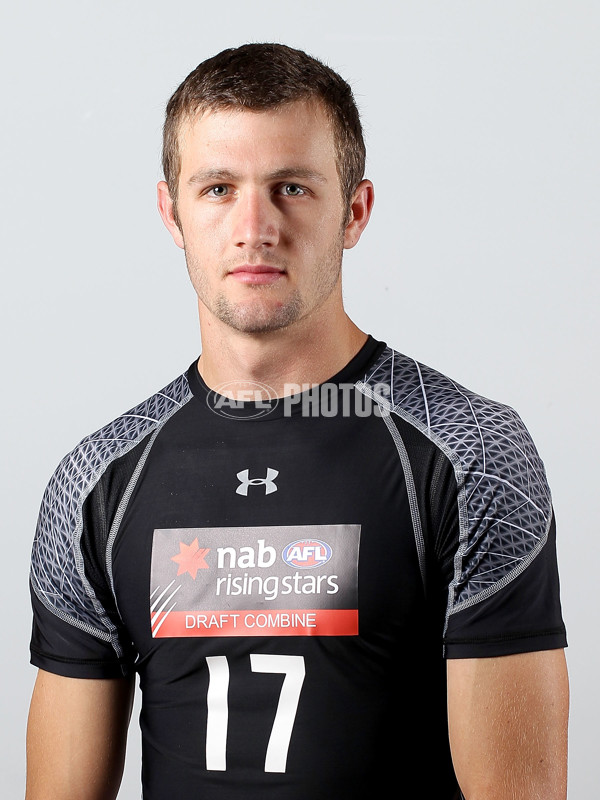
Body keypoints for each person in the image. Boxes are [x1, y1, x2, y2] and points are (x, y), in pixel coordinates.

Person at [26, 43, 568, 800]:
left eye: (291, 187)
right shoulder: (96, 483)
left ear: (355, 211)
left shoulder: (470, 455)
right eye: (218, 188)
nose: (256, 226)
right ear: (170, 212)